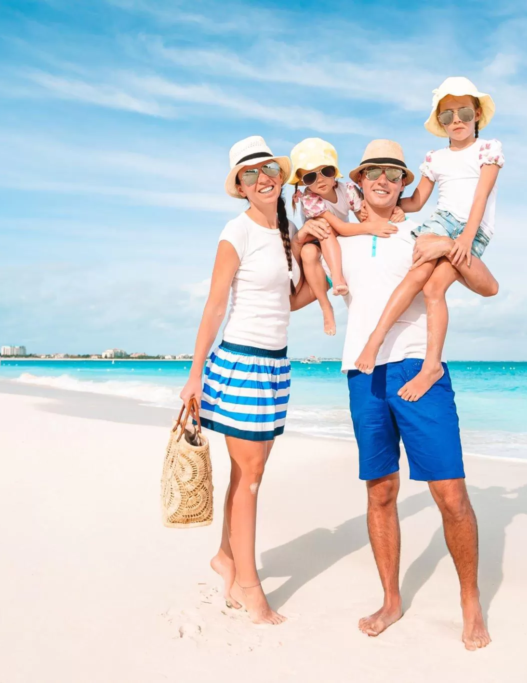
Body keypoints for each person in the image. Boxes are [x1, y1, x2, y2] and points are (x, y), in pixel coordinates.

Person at [295, 139, 499, 650]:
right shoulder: (339, 231)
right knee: (380, 491)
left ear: (406, 183)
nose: (383, 180)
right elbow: (301, 291)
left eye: (393, 173)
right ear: (357, 182)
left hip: (416, 367)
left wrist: (450, 248)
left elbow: (487, 284)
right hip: (361, 374)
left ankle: (470, 603)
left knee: (449, 493)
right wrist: (304, 236)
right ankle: (391, 599)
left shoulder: (419, 228)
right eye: (373, 173)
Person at [178, 135, 321, 626]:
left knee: (246, 475)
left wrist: (315, 265)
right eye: (251, 173)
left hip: (276, 366)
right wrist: (195, 374)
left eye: (269, 170)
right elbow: (215, 306)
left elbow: (292, 301)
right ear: (239, 186)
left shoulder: (286, 230)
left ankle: (225, 557)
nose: (264, 179)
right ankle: (247, 585)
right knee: (253, 478)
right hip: (240, 363)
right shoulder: (234, 232)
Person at [353, 77, 503, 402]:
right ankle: (376, 338)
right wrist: (390, 207)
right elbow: (417, 202)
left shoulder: (488, 149)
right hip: (440, 222)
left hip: (472, 228)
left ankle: (432, 365)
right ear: (440, 122)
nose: (457, 120)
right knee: (418, 278)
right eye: (447, 116)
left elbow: (481, 196)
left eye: (463, 111)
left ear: (476, 113)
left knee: (435, 289)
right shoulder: (435, 157)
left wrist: (463, 238)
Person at [289, 137, 404, 336]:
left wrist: (394, 213)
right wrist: (372, 227)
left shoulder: (348, 189)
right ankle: (329, 300)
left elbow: (364, 216)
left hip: (338, 236)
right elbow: (341, 227)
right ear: (302, 182)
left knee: (315, 246)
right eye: (310, 177)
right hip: (318, 235)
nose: (320, 180)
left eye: (326, 172)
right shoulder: (310, 199)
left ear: (335, 171)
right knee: (316, 240)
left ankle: (334, 286)